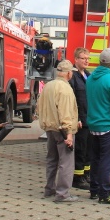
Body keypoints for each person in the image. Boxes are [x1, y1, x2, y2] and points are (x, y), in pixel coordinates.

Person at [37, 59, 80, 203]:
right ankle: (62, 194)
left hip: (49, 128)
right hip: (62, 130)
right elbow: (65, 112)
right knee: (66, 163)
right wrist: (69, 133)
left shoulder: (48, 86)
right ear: (68, 73)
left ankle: (49, 188)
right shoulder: (66, 89)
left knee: (51, 160)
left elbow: (39, 107)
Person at [86, 48, 110, 205]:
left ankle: (94, 190)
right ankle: (106, 194)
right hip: (108, 127)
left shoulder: (90, 78)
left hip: (93, 126)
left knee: (95, 160)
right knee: (106, 162)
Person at [70, 47, 91, 190]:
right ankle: (77, 178)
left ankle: (86, 175)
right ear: (76, 59)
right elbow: (71, 100)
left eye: (88, 58)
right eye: (83, 58)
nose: (86, 61)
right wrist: (76, 118)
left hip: (89, 118)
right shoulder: (73, 76)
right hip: (80, 119)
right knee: (80, 149)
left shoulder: (88, 75)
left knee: (89, 149)